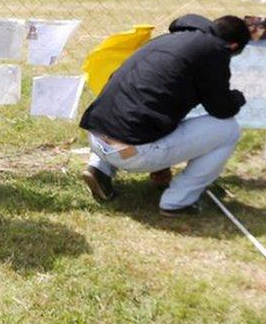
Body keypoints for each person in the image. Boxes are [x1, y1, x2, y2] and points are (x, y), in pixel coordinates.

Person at [80, 14, 250, 216]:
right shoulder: (213, 50)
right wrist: (238, 97)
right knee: (228, 129)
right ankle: (178, 202)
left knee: (142, 110)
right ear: (232, 46)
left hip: (96, 136)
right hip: (131, 152)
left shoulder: (168, 40)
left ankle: (100, 168)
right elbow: (221, 109)